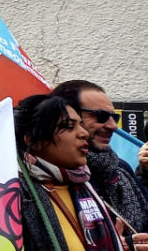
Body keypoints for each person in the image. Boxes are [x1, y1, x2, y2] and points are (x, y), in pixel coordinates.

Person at [15, 93, 148, 251]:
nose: (83, 133)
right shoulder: (14, 194)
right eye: (69, 126)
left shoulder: (85, 185)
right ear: (33, 141)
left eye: (80, 124)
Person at [50, 79, 148, 233]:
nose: (113, 126)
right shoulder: (49, 179)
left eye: (114, 117)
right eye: (101, 116)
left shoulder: (120, 169)